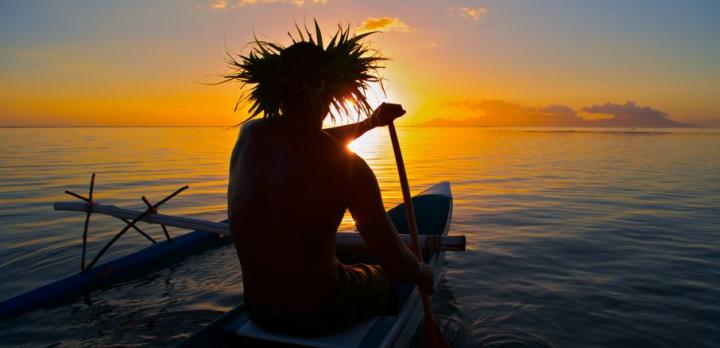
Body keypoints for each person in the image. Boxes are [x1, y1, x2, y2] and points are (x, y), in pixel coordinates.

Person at [226, 24, 433, 337]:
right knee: (383, 275)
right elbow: (397, 264)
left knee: (343, 256)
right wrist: (423, 271)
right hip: (319, 313)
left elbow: (304, 140)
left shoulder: (249, 136)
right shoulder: (351, 168)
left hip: (259, 309)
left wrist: (371, 123)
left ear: (275, 90)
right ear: (333, 92)